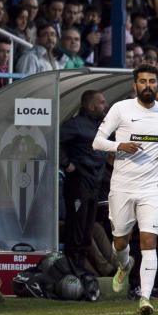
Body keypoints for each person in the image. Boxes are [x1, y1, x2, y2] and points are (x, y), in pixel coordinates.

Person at [92, 64, 158, 315]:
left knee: (148, 241)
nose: (148, 86)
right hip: (122, 186)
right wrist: (120, 145)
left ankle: (145, 297)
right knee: (120, 241)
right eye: (143, 81)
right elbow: (97, 141)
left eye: (152, 81)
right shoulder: (120, 109)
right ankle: (124, 265)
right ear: (135, 85)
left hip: (153, 187)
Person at [59, 90, 108, 269]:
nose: (105, 105)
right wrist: (66, 163)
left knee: (87, 231)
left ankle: (82, 270)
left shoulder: (100, 126)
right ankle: (72, 269)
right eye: (101, 102)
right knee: (76, 230)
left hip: (94, 184)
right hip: (78, 184)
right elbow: (54, 141)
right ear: (90, 105)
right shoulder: (75, 125)